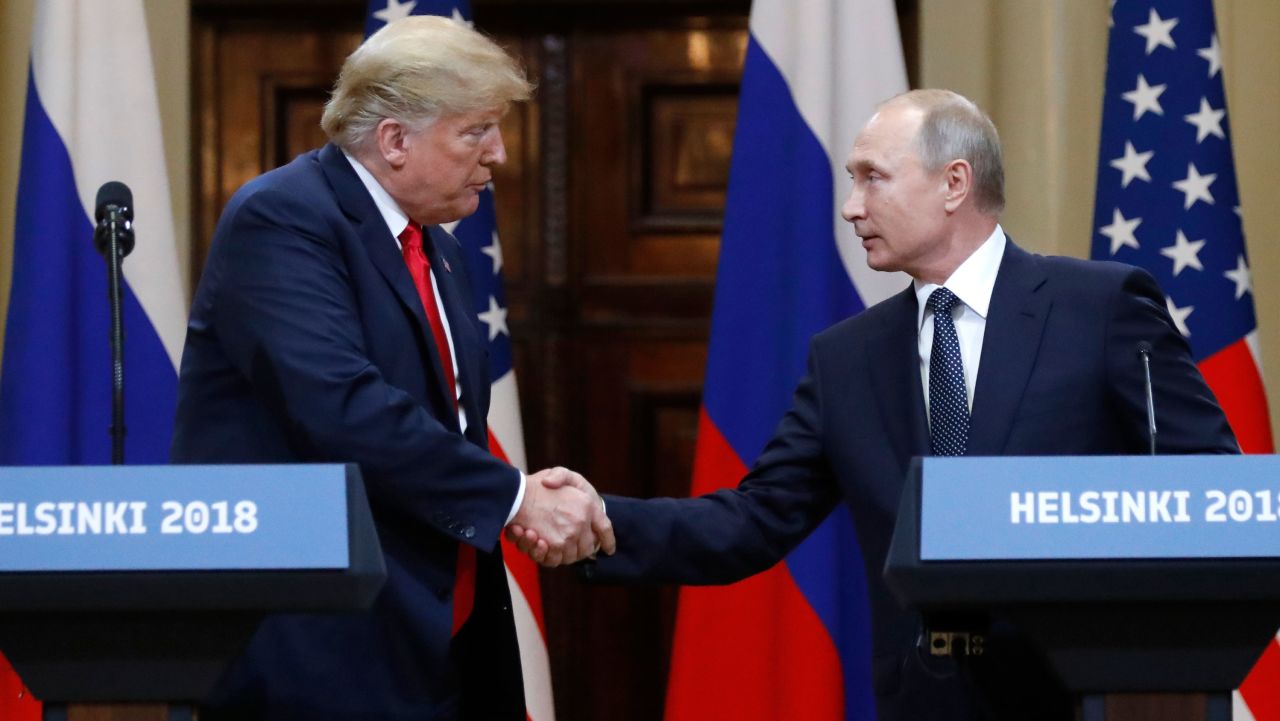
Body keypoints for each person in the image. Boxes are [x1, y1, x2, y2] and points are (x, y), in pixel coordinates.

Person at [510, 89, 1238, 720]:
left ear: (955, 182)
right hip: (926, 700)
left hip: (1088, 695)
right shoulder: (847, 357)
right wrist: (602, 521)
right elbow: (752, 520)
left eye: (872, 179)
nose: (852, 207)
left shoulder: (1101, 307)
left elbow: (1208, 488)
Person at [171, 16, 612, 721]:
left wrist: (512, 493)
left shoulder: (436, 248)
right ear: (395, 139)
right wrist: (514, 497)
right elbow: (340, 405)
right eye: (476, 131)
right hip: (323, 654)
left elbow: (448, 427)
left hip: (438, 640)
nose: (498, 152)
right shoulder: (283, 218)